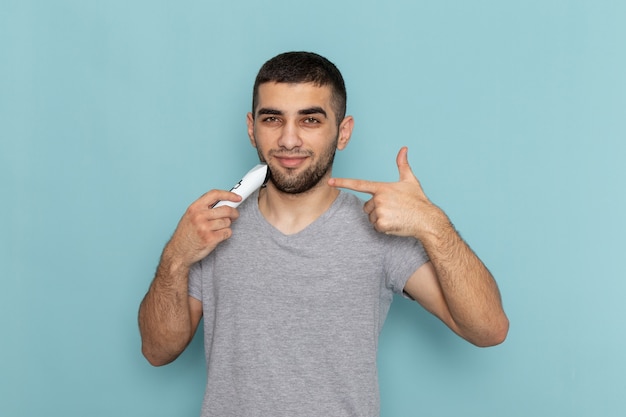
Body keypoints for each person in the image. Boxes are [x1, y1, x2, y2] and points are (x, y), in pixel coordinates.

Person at [138, 51, 509, 417]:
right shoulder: (213, 227)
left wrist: (432, 224)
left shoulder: (380, 229)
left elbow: (488, 329)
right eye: (272, 119)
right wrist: (176, 255)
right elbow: (157, 351)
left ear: (342, 132)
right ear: (252, 127)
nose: (288, 139)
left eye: (310, 120)